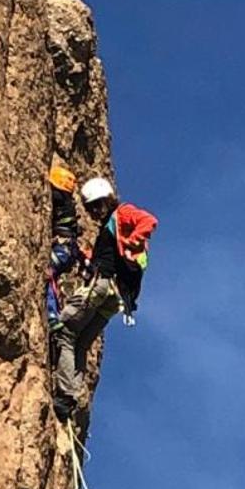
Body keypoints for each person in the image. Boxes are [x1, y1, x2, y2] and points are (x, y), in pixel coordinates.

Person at [53, 177, 158, 421]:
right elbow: (105, 254)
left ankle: (65, 395)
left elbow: (149, 221)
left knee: (65, 332)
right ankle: (68, 400)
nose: (92, 214)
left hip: (103, 286)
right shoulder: (110, 228)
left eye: (93, 208)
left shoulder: (122, 214)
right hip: (115, 299)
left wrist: (134, 240)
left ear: (103, 201)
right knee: (80, 343)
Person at [46, 165, 82, 331]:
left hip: (63, 248)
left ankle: (52, 316)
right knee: (53, 276)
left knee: (49, 274)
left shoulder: (58, 197)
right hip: (69, 250)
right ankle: (55, 312)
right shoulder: (69, 202)